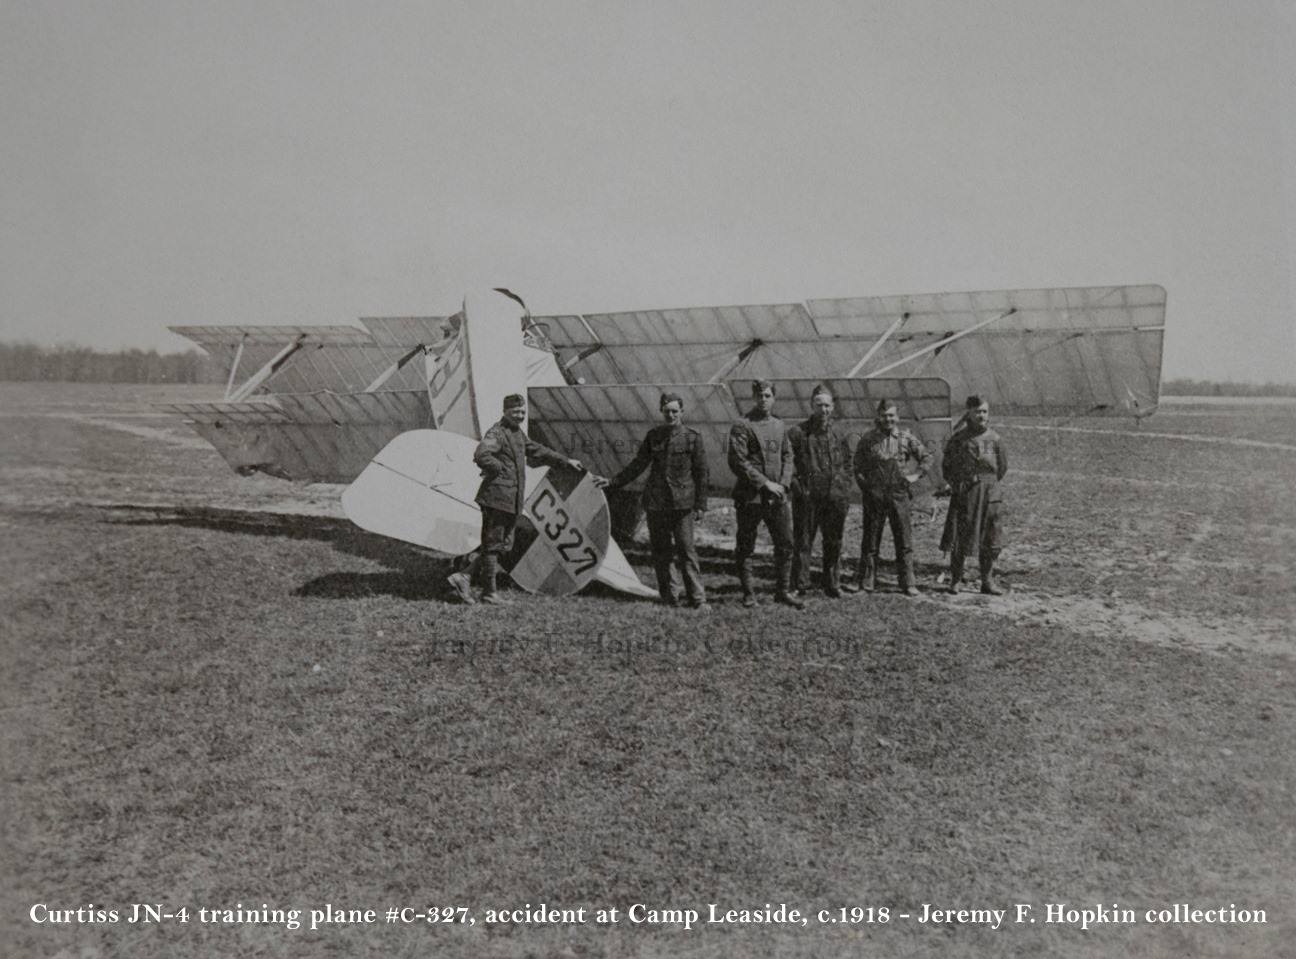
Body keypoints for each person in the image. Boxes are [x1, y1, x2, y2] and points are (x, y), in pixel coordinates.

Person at [447, 393, 583, 605]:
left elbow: (537, 450)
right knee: (494, 544)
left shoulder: (517, 433)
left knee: (501, 545)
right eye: (515, 412)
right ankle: (484, 590)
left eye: (522, 412)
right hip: (497, 497)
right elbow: (481, 454)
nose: (520, 415)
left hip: (510, 498)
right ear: (505, 412)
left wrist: (565, 461)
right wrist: (498, 469)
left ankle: (468, 579)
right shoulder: (497, 432)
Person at [602, 393, 709, 609]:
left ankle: (698, 599)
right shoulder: (654, 436)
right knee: (661, 552)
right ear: (661, 411)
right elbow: (638, 464)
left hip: (682, 504)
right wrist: (612, 482)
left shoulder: (692, 437)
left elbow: (701, 473)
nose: (670, 415)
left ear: (682, 412)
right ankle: (669, 596)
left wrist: (700, 505)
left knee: (686, 551)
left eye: (675, 411)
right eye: (667, 411)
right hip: (656, 503)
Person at [728, 380, 804, 609]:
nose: (764, 400)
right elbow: (737, 461)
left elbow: (788, 456)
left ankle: (782, 591)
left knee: (786, 544)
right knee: (746, 546)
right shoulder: (742, 425)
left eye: (768, 395)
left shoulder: (779, 425)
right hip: (751, 498)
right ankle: (749, 593)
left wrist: (783, 484)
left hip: (777, 497)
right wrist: (764, 484)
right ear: (754, 397)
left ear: (774, 398)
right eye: (760, 395)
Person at [853, 399, 932, 596]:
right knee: (870, 540)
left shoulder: (906, 438)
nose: (888, 419)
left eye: (891, 415)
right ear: (878, 417)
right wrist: (867, 488)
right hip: (875, 496)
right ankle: (867, 582)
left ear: (897, 417)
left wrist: (915, 475)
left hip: (899, 494)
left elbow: (927, 457)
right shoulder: (868, 439)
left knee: (904, 540)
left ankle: (908, 583)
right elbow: (857, 466)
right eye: (884, 415)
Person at [787, 385, 856, 598]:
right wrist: (799, 489)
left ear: (833, 407)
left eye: (827, 405)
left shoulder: (840, 432)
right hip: (808, 498)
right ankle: (801, 584)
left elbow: (848, 462)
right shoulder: (798, 432)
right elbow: (789, 464)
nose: (823, 410)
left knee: (834, 541)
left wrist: (843, 486)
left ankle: (832, 583)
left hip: (835, 497)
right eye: (819, 405)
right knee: (804, 541)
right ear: (811, 406)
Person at [942, 395, 1008, 595]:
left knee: (990, 537)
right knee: (961, 536)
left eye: (985, 412)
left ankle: (987, 582)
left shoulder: (995, 439)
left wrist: (988, 484)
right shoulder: (958, 439)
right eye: (977, 411)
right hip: (967, 493)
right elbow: (947, 466)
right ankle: (955, 580)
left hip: (990, 494)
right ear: (969, 413)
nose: (981, 415)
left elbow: (1002, 468)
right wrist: (959, 484)